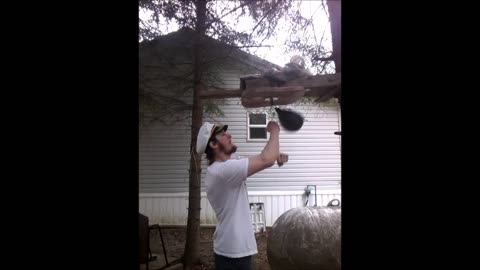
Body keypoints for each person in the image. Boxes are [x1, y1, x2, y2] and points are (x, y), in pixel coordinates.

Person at [196, 121, 288, 270]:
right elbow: (265, 159)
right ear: (213, 144)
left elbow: (264, 159)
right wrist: (275, 130)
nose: (229, 135)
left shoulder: (221, 169)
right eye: (223, 134)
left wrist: (275, 155)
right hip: (234, 253)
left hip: (232, 249)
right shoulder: (223, 171)